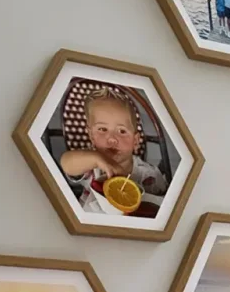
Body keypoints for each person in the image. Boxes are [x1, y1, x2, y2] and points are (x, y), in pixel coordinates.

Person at [59, 87, 167, 216]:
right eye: (103, 129)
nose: (112, 139)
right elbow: (67, 164)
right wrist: (96, 158)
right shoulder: (90, 166)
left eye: (122, 131)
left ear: (136, 140)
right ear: (91, 135)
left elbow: (165, 206)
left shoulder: (150, 175)